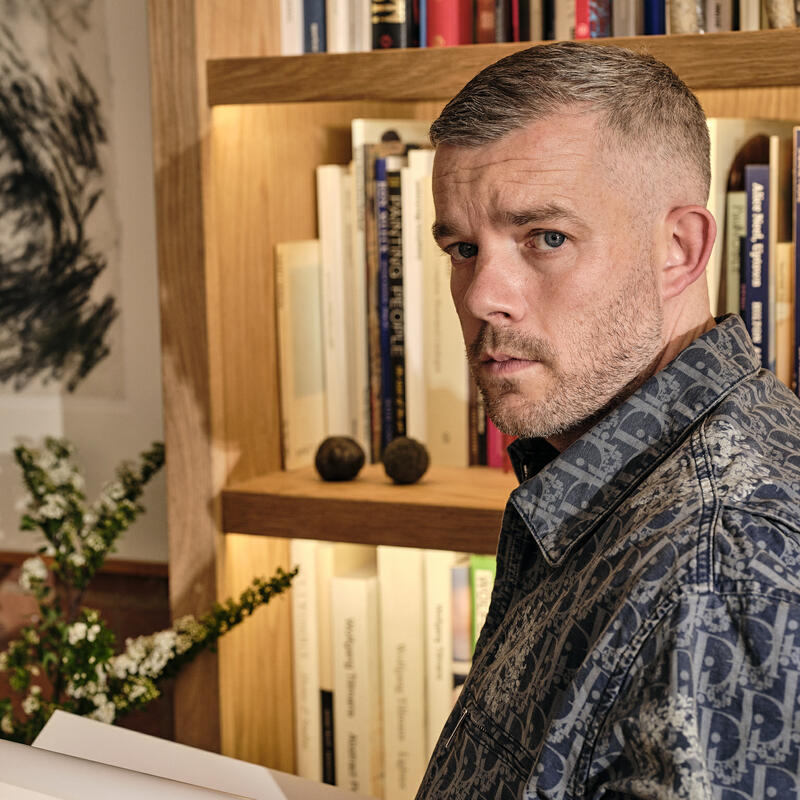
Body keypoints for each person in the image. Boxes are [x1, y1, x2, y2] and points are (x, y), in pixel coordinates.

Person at [417, 41, 800, 799]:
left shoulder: (718, 563)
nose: (480, 296)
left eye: (546, 239)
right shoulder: (607, 479)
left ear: (679, 248)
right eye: (463, 247)